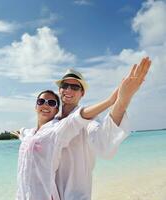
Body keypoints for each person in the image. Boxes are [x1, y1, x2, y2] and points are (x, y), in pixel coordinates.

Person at [13, 57, 151, 200]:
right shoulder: (52, 122)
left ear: (82, 93)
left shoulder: (88, 121)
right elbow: (35, 138)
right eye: (65, 85)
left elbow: (105, 140)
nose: (68, 90)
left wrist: (122, 101)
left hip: (76, 195)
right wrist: (22, 135)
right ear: (59, 90)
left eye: (75, 87)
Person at [15, 88, 117, 200]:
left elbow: (78, 118)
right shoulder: (30, 134)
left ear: (56, 110)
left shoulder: (56, 131)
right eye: (41, 101)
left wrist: (110, 101)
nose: (45, 105)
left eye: (51, 103)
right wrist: (20, 134)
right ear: (36, 107)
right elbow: (25, 134)